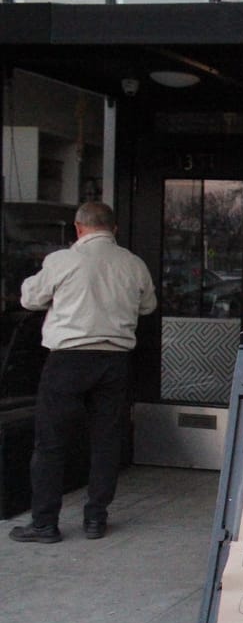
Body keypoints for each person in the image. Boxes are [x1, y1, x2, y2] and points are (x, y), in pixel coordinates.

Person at [10, 202, 157, 543]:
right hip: (115, 360)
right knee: (106, 441)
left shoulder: (62, 260)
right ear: (114, 229)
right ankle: (95, 519)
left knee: (50, 443)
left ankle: (45, 523)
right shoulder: (133, 264)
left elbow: (29, 299)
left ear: (78, 228)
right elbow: (148, 306)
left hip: (68, 360)